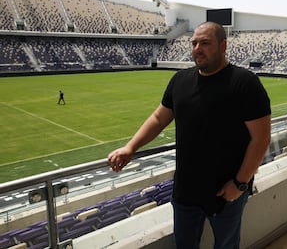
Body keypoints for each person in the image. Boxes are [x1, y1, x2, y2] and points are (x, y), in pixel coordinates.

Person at [108, 21, 271, 249]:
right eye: (194, 43)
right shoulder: (180, 80)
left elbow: (261, 138)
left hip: (226, 190)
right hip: (186, 189)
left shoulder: (245, 83)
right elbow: (158, 118)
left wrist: (240, 183)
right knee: (184, 245)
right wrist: (130, 147)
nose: (197, 49)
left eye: (205, 43)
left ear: (223, 46)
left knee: (226, 245)